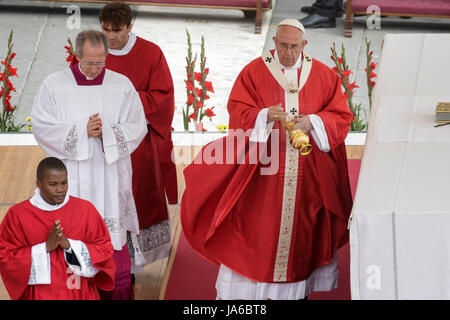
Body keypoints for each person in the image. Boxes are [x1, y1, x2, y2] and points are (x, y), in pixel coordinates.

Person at [180, 19, 353, 300]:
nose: (287, 52)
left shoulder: (323, 75)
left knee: (303, 235)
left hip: (307, 178)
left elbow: (341, 116)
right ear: (274, 42)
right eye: (282, 45)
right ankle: (248, 296)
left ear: (304, 45)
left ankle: (296, 294)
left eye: (293, 47)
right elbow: (237, 112)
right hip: (261, 175)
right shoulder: (254, 72)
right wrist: (263, 116)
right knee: (256, 232)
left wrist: (314, 122)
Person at [30, 30, 147, 299]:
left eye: (100, 62)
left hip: (109, 172)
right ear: (77, 56)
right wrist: (82, 131)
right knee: (70, 226)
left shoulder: (122, 85)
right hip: (71, 173)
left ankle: (112, 284)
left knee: (110, 229)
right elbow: (41, 126)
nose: (94, 69)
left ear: (106, 56)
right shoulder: (54, 84)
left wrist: (106, 131)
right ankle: (70, 286)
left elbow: (137, 127)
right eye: (88, 62)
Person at [98, 2, 175, 271]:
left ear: (130, 27)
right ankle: (103, 259)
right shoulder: (94, 50)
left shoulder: (151, 53)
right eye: (105, 29)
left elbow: (162, 98)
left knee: (135, 197)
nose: (110, 36)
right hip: (100, 142)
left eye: (116, 30)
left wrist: (123, 99)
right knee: (104, 199)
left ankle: (130, 265)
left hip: (138, 144)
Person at [0, 157, 116, 300]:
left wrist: (69, 246)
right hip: (41, 294)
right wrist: (45, 247)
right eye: (53, 184)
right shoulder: (18, 215)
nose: (60, 190)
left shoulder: (85, 210)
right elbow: (5, 257)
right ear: (38, 184)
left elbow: (104, 249)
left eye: (64, 183)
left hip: (79, 291)